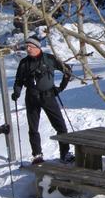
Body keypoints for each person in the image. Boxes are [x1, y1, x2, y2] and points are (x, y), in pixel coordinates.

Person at [11, 36, 72, 164]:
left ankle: (65, 153)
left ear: (37, 47)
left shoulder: (49, 59)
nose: (27, 49)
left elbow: (67, 70)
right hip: (32, 97)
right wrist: (16, 92)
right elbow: (18, 80)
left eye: (30, 47)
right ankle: (37, 155)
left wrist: (60, 88)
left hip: (48, 96)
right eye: (26, 46)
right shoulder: (24, 63)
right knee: (33, 128)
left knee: (60, 125)